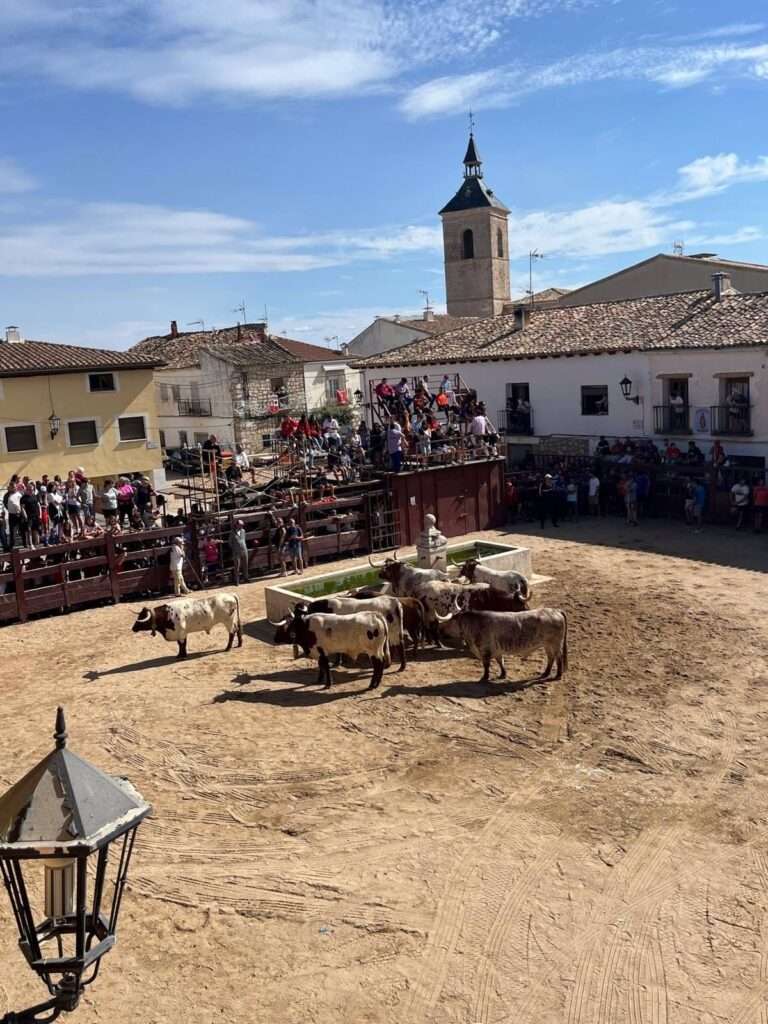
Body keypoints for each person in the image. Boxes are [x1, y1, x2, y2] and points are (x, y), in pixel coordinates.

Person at [20, 482, 42, 548]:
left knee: (35, 530)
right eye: (29, 489)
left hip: (36, 516)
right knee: (29, 531)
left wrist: (40, 514)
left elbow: (38, 505)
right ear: (27, 489)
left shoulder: (34, 496)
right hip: (29, 517)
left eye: (32, 489)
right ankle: (30, 544)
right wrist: (25, 516)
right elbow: (22, 508)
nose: (31, 491)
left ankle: (36, 544)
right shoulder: (23, 498)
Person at [229, 519, 249, 585]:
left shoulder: (243, 531)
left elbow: (244, 539)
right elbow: (230, 542)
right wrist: (235, 548)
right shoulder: (232, 532)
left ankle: (246, 578)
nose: (242, 526)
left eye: (242, 525)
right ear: (237, 525)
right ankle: (237, 581)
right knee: (237, 566)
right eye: (240, 525)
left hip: (244, 550)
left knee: (245, 565)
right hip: (236, 552)